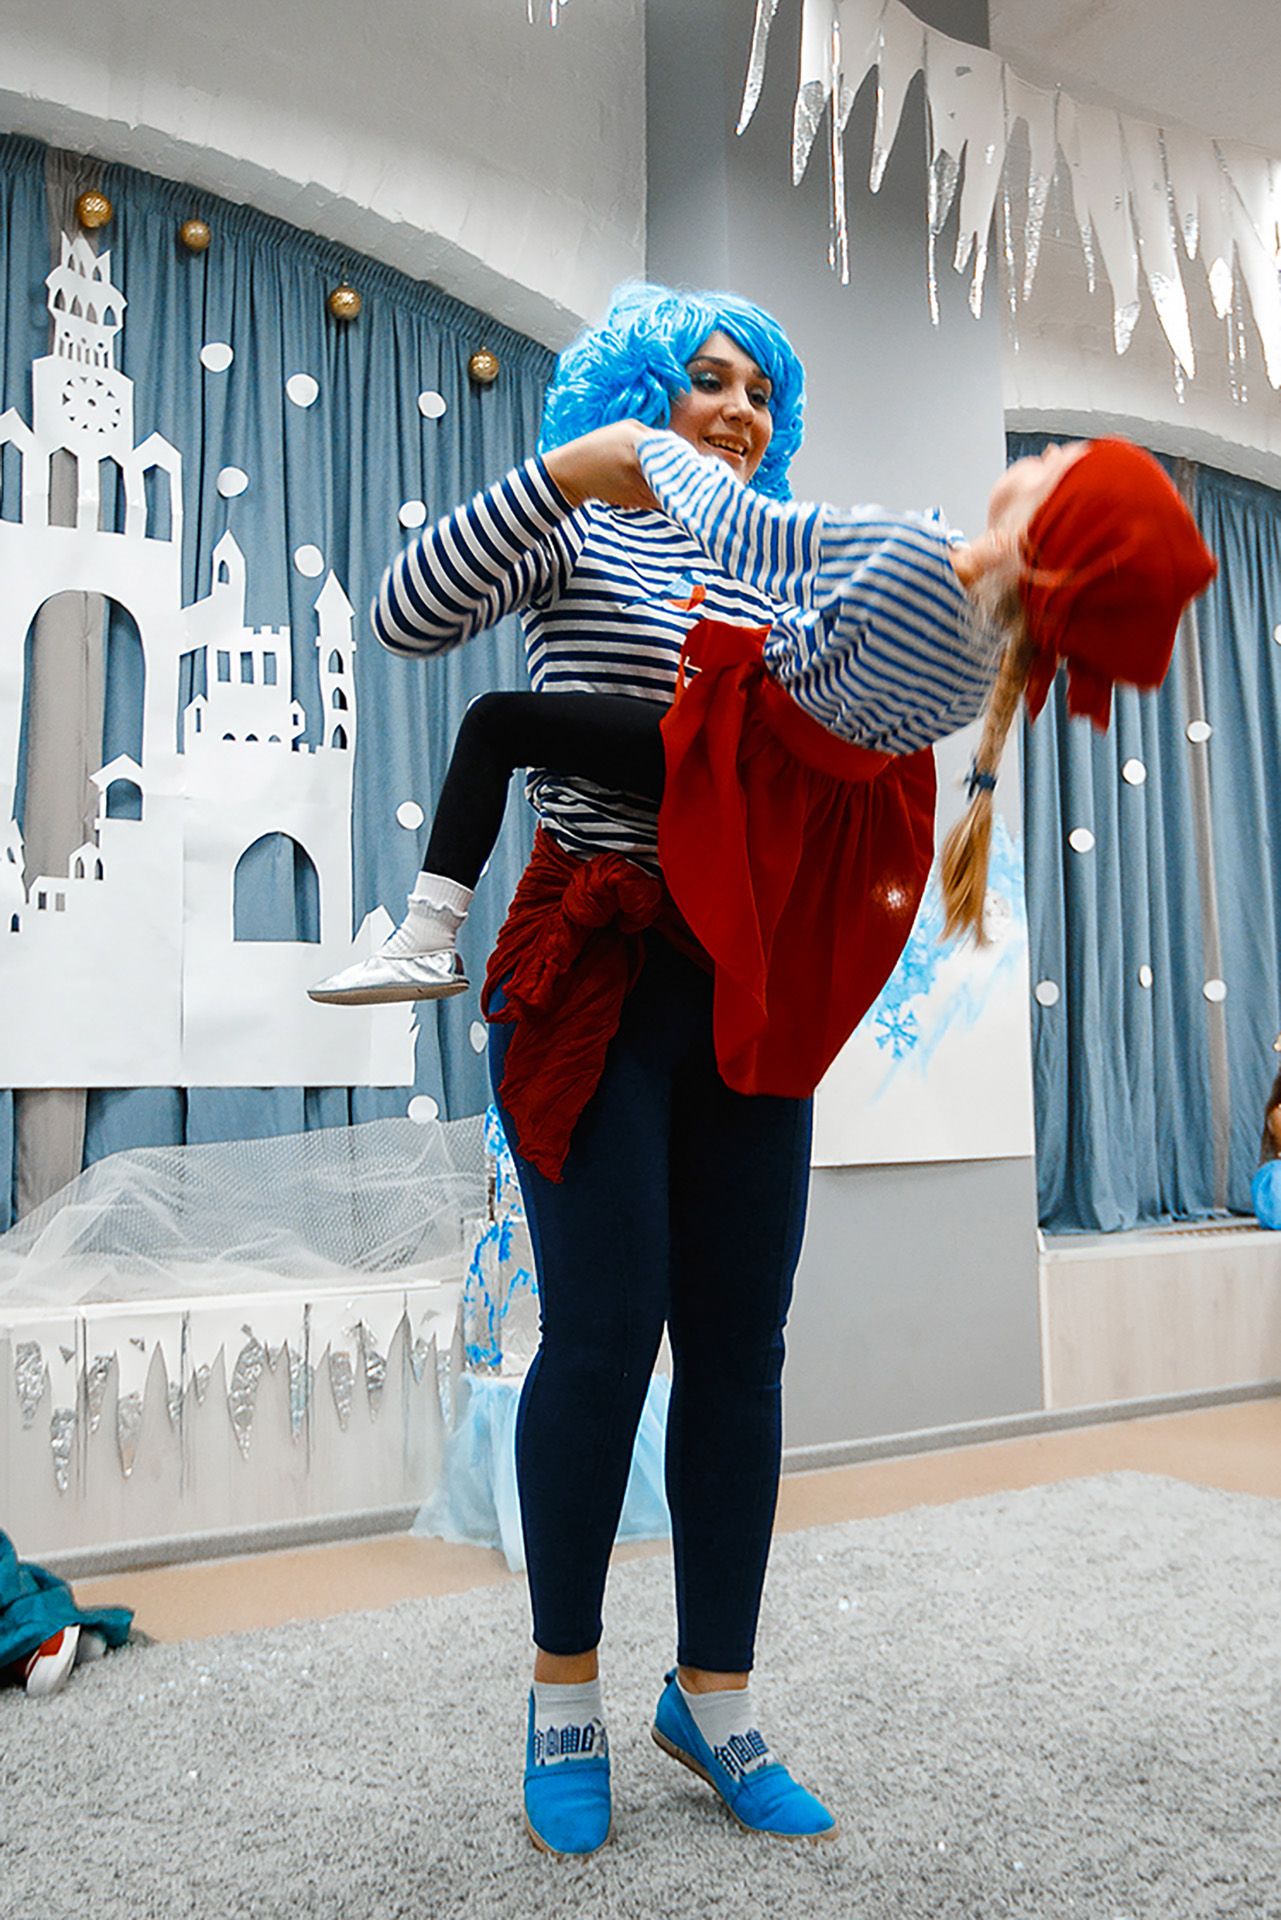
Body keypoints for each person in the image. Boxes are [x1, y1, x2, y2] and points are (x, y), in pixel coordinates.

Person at [332, 285, 1213, 1859]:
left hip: (751, 981)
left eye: (759, 391)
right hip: (593, 968)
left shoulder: (792, 564)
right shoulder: (576, 527)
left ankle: (715, 1699)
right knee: (603, 1336)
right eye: (707, 381)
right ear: (640, 394)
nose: (737, 410)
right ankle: (560, 1694)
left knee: (741, 1349)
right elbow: (403, 614)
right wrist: (562, 477)